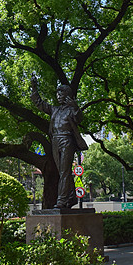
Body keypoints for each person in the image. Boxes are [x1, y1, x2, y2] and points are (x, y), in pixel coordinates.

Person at [30, 75, 88, 209]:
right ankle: (71, 197)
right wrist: (34, 87)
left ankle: (62, 200)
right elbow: (39, 103)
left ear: (68, 95)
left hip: (67, 140)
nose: (58, 95)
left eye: (61, 93)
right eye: (57, 93)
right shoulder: (54, 110)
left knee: (64, 171)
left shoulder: (71, 110)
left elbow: (79, 118)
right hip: (55, 141)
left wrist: (75, 107)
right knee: (61, 170)